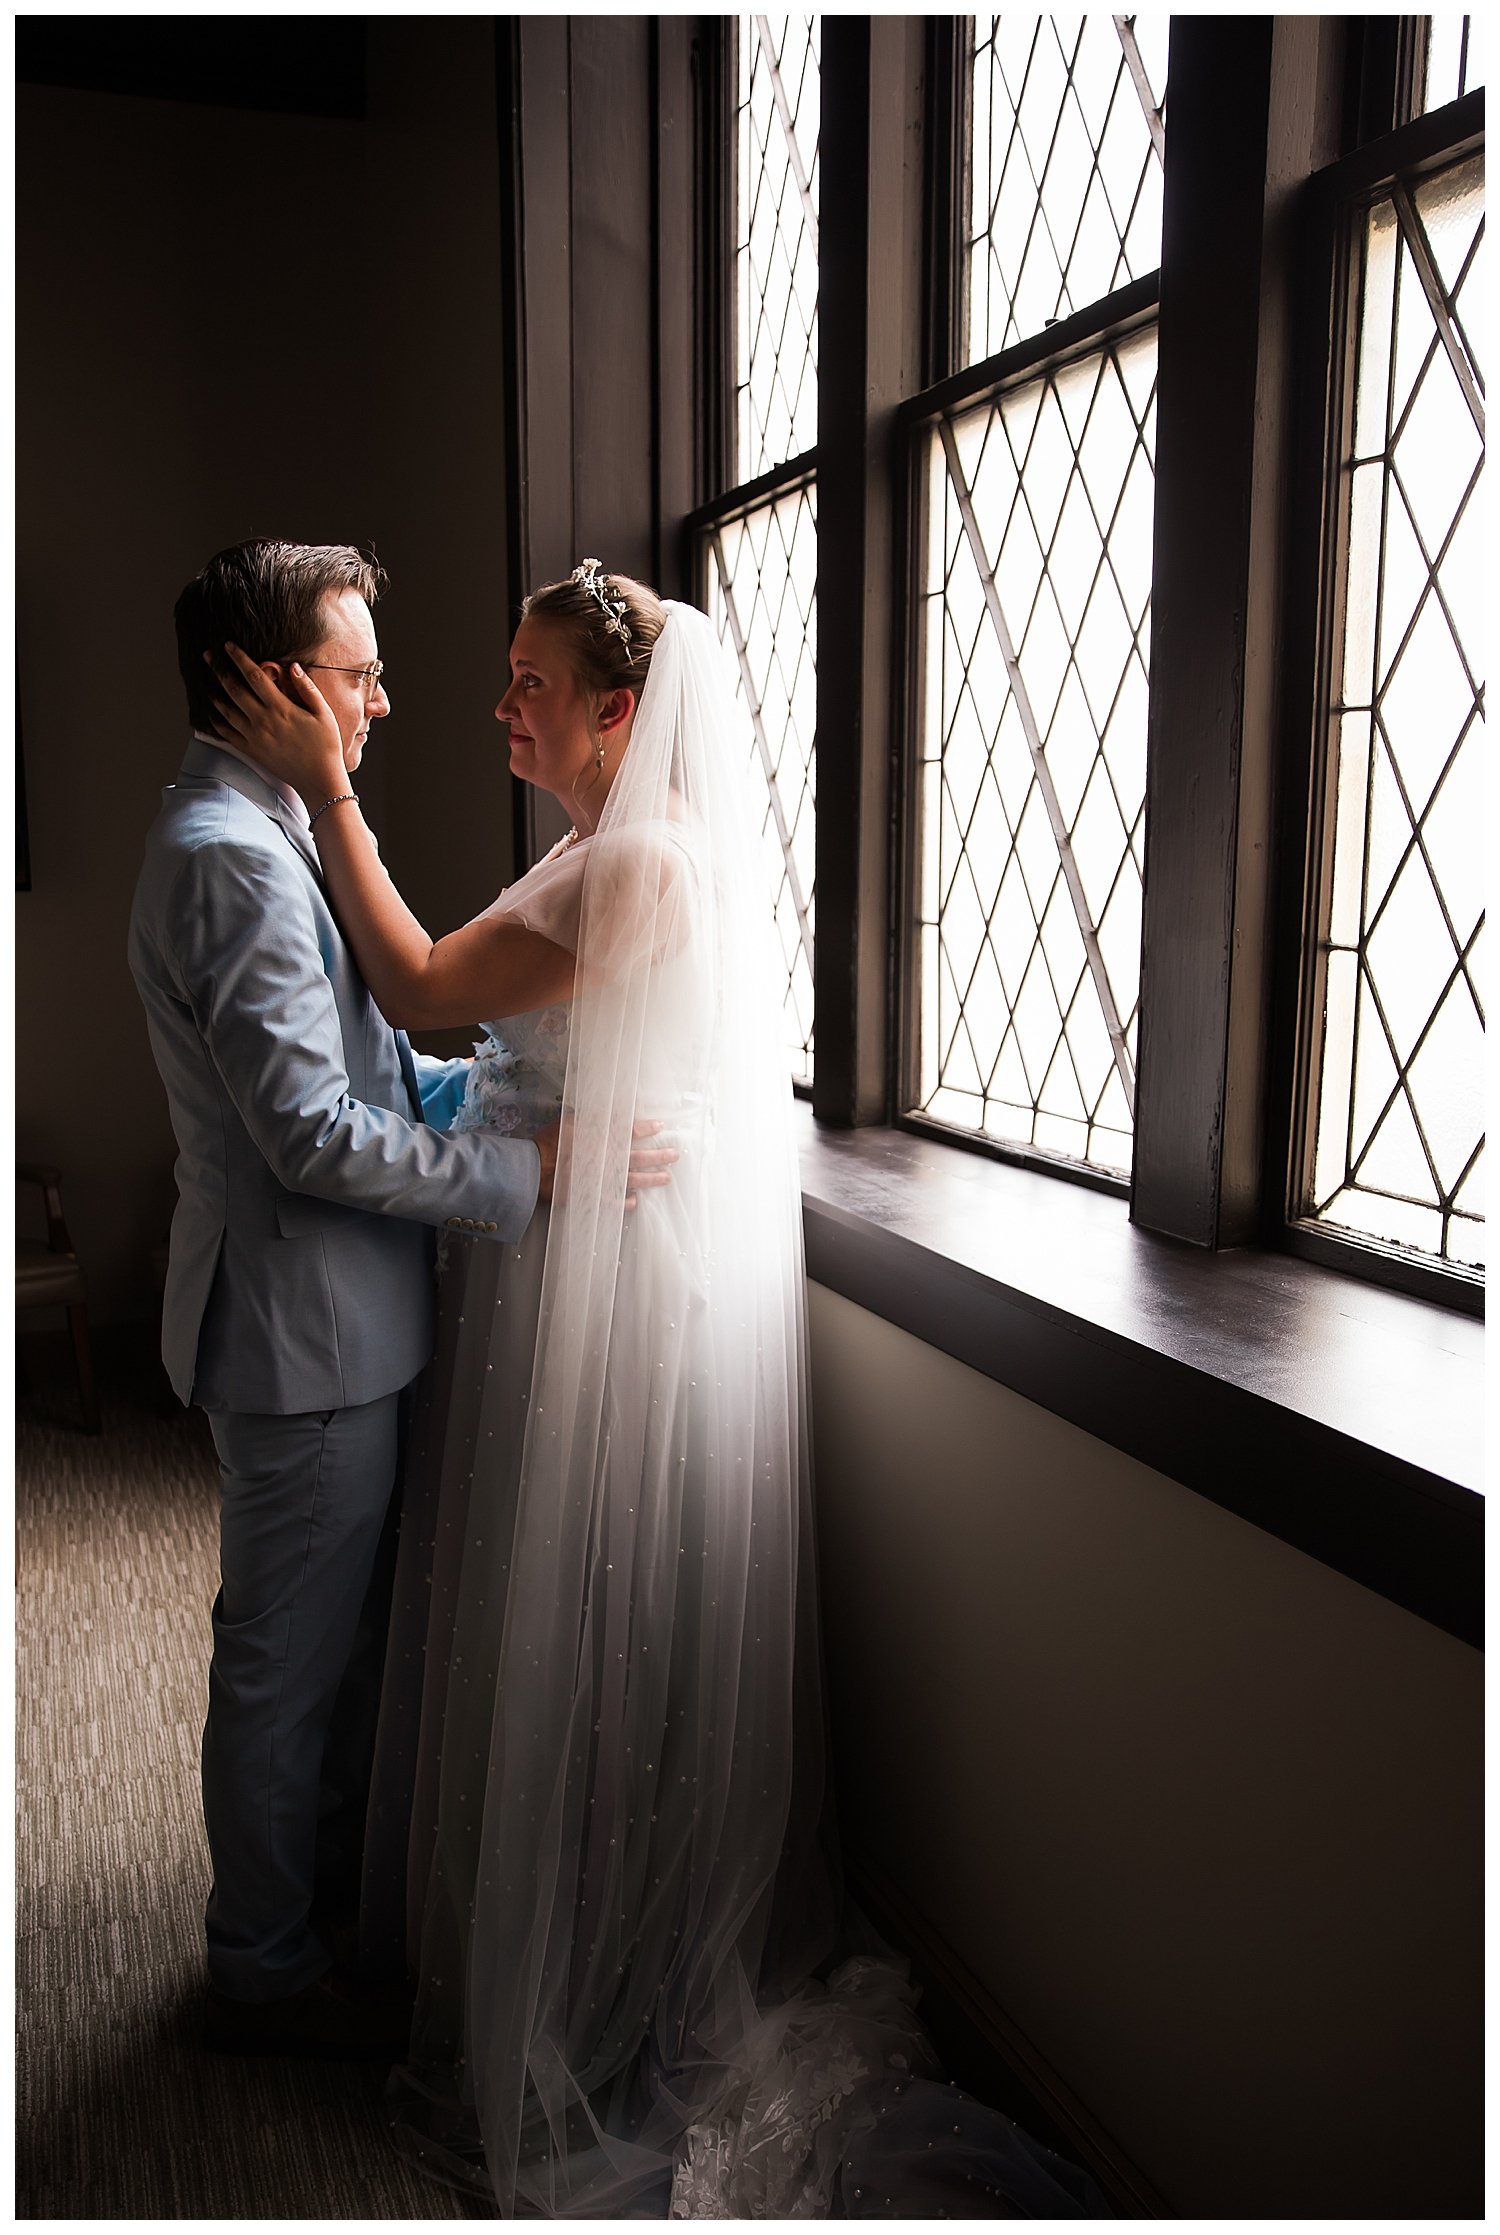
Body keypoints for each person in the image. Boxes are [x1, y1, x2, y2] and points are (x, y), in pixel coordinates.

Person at [209, 562, 941, 2215]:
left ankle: (594, 1976)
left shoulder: (640, 867)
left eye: (529, 681)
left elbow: (410, 986)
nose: (497, 704)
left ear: (622, 709)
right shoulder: (599, 848)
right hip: (568, 1263)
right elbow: (476, 1041)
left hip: (616, 1298)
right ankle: (536, 1934)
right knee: (558, 1610)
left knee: (593, 1616)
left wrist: (328, 786)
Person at [129, 541, 670, 2063]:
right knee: (286, 1662)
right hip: (303, 1339)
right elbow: (305, 1131)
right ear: (284, 683)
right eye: (358, 672)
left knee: (346, 1651)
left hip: (346, 1321)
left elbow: (369, 1070)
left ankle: (321, 1914)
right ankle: (260, 1966)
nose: (383, 698)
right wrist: (527, 1177)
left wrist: (492, 1102)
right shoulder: (234, 854)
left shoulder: (262, 822)